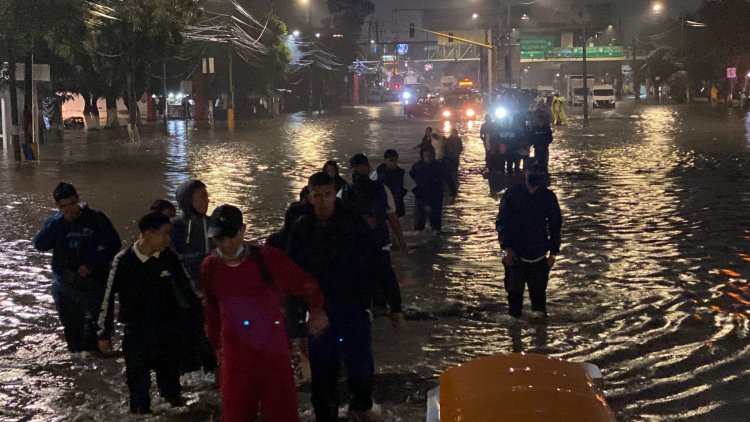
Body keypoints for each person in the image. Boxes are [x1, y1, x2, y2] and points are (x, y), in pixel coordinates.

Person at [287, 172, 398, 422]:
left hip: (353, 306)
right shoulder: (301, 228)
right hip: (319, 310)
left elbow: (376, 261)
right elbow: (291, 277)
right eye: (318, 196)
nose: (324, 201)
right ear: (309, 196)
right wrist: (297, 324)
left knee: (359, 370)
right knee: (323, 377)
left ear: (334, 194)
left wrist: (393, 303)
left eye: (328, 195)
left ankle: (360, 408)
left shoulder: (352, 222)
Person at [201, 205, 329, 422]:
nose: (225, 245)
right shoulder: (210, 267)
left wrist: (316, 310)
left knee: (282, 415)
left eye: (230, 237)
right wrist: (216, 348)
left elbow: (306, 284)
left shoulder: (268, 259)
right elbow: (211, 308)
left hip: (273, 357)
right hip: (236, 358)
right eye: (219, 239)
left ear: (242, 231)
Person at [98, 212, 196, 414]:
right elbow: (106, 298)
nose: (169, 239)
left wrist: (198, 324)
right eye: (165, 234)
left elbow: (188, 292)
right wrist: (104, 332)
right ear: (148, 233)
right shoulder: (123, 261)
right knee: (139, 397)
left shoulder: (169, 258)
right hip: (137, 337)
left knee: (172, 396)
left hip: (168, 334)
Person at [33, 182, 121, 353]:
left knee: (99, 333)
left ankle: (98, 369)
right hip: (65, 285)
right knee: (72, 332)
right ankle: (78, 369)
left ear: (78, 200)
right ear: (58, 206)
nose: (69, 210)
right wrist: (58, 223)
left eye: (72, 204)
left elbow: (114, 245)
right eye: (63, 206)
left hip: (94, 284)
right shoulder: (55, 223)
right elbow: (40, 245)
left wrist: (92, 263)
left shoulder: (96, 219)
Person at [496, 164, 562, 318]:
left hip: (539, 255)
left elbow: (555, 225)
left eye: (538, 173)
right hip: (515, 254)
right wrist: (506, 248)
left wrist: (553, 253)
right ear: (525, 172)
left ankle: (540, 337)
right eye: (532, 172)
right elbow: (501, 222)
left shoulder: (548, 197)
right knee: (514, 303)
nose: (534, 176)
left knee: (539, 305)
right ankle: (515, 338)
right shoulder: (512, 194)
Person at [343, 153, 406, 311]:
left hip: (360, 245)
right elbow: (392, 216)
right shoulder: (381, 188)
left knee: (366, 282)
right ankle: (388, 310)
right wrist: (401, 241)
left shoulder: (344, 191)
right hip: (376, 243)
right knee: (383, 278)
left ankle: (374, 310)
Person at [170, 179, 216, 373]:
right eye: (202, 197)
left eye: (207, 195)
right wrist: (203, 258)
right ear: (189, 201)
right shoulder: (176, 226)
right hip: (184, 293)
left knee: (209, 336)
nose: (207, 200)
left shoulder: (212, 224)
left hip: (209, 290)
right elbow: (173, 257)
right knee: (187, 336)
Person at [409, 146, 457, 233]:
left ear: (434, 155)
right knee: (419, 225)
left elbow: (449, 179)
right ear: (422, 157)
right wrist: (425, 203)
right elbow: (411, 182)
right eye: (426, 156)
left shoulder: (440, 166)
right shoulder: (417, 167)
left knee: (436, 224)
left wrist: (453, 194)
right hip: (421, 196)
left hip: (436, 196)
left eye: (430, 156)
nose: (428, 158)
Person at [375, 149, 408, 218]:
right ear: (385, 161)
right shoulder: (378, 173)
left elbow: (414, 188)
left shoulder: (402, 174)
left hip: (397, 209)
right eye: (390, 161)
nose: (393, 163)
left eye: (395, 161)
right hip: (383, 209)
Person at [529, 103, 553, 171]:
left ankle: (544, 170)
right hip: (537, 146)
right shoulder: (535, 128)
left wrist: (545, 143)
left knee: (544, 160)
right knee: (538, 158)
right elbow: (532, 136)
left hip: (544, 146)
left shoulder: (546, 128)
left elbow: (549, 137)